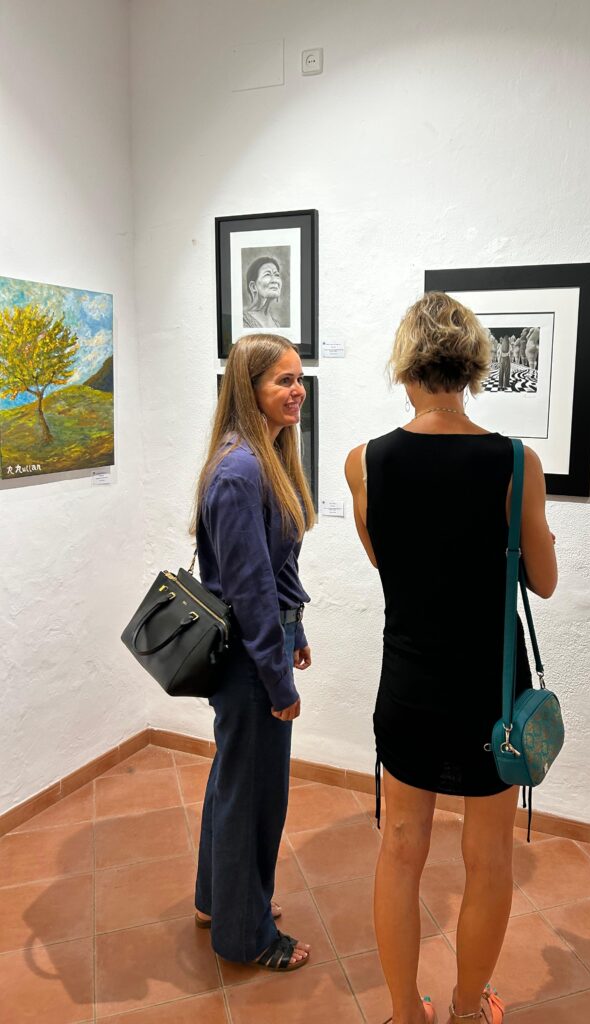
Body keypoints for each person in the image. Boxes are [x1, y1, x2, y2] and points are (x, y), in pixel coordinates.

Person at [345, 293, 557, 1024]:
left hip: (408, 682)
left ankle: (406, 1012)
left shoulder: (363, 462)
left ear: (406, 363)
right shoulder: (514, 460)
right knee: (488, 858)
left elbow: (386, 563)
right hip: (490, 689)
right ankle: (468, 1009)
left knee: (400, 852)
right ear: (472, 366)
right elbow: (545, 580)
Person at [190, 333, 315, 970]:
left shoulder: (261, 458)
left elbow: (274, 567)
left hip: (260, 647)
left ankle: (221, 898)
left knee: (234, 779)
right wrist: (279, 680)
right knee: (256, 792)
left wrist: (298, 633)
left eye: (299, 379)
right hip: (247, 659)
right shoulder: (241, 471)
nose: (297, 392)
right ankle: (248, 935)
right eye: (282, 382)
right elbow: (250, 589)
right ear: (250, 390)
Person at [243, 256, 284, 329]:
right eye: (267, 274)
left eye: (277, 275)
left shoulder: (277, 325)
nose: (275, 280)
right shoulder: (243, 321)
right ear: (253, 286)